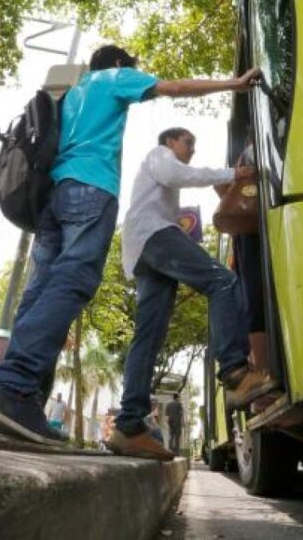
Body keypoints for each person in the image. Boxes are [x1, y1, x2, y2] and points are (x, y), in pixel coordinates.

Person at [0, 44, 264, 444]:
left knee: (46, 292)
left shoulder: (73, 93)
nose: (189, 150)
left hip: (54, 199)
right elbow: (176, 86)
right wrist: (234, 83)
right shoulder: (114, 80)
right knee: (75, 281)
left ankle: (101, 415)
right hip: (93, 193)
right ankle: (15, 387)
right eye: (188, 144)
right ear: (118, 64)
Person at [108, 128, 277, 461]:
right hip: (155, 235)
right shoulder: (159, 156)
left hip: (143, 248)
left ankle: (128, 425)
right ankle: (235, 373)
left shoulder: (159, 175)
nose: (192, 150)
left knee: (149, 336)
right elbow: (176, 173)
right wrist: (234, 173)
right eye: (189, 143)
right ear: (170, 142)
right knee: (223, 281)